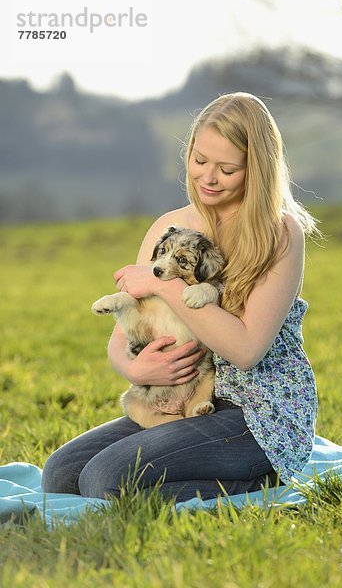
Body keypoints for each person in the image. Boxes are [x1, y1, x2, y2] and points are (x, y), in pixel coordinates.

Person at [42, 92, 319, 502]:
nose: (208, 177)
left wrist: (162, 283)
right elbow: (125, 338)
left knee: (105, 479)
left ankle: (262, 481)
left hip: (256, 415)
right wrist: (136, 371)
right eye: (199, 160)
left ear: (257, 169)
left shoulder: (278, 234)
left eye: (227, 169)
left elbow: (245, 351)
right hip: (177, 400)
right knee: (61, 474)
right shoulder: (169, 227)